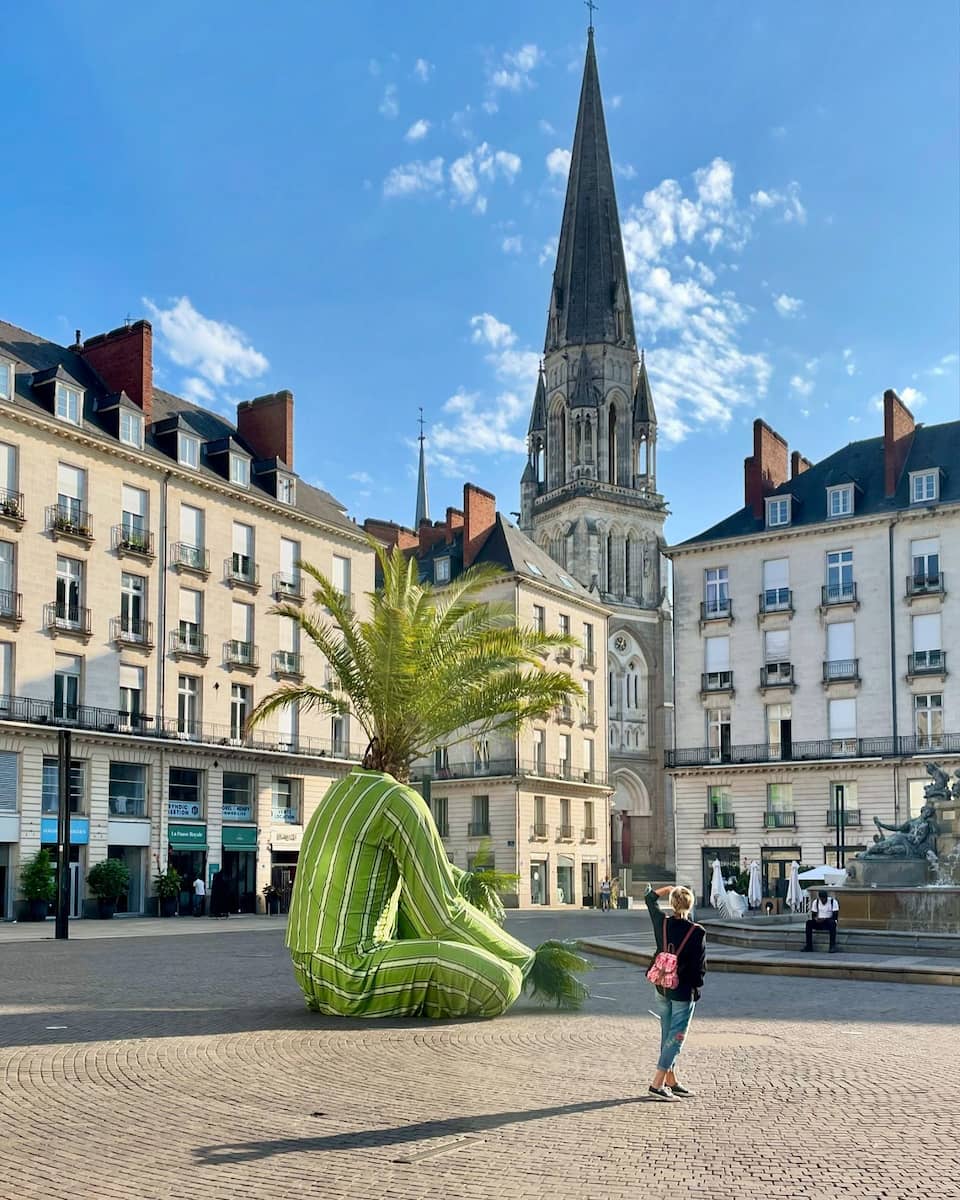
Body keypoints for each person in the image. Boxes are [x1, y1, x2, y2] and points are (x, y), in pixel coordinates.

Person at [645, 884, 706, 1102]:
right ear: (690, 905)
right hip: (682, 991)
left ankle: (671, 1080)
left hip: (661, 986)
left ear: (672, 903)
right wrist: (696, 987)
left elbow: (649, 899)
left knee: (667, 1033)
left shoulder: (661, 923)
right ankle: (657, 1083)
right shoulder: (697, 932)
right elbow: (699, 968)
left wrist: (666, 889)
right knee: (676, 1037)